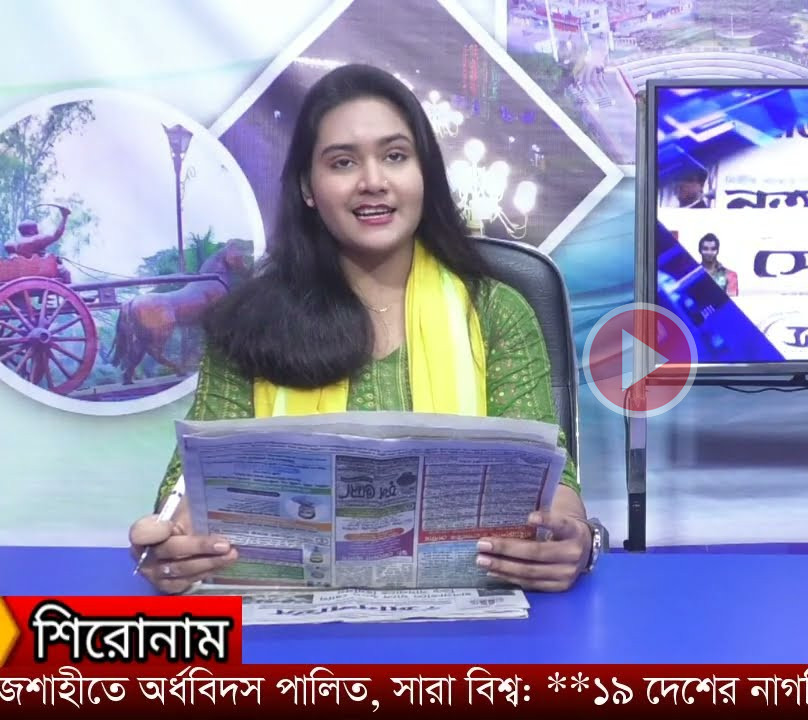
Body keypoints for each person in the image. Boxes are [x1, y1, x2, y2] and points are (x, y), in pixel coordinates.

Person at [127, 64, 601, 595]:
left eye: (395, 156)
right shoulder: (248, 321)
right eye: (343, 162)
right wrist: (172, 545)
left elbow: (552, 484)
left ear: (424, 173)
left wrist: (573, 538)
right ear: (308, 187)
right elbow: (189, 489)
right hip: (286, 621)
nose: (373, 181)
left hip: (466, 618)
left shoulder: (496, 312)